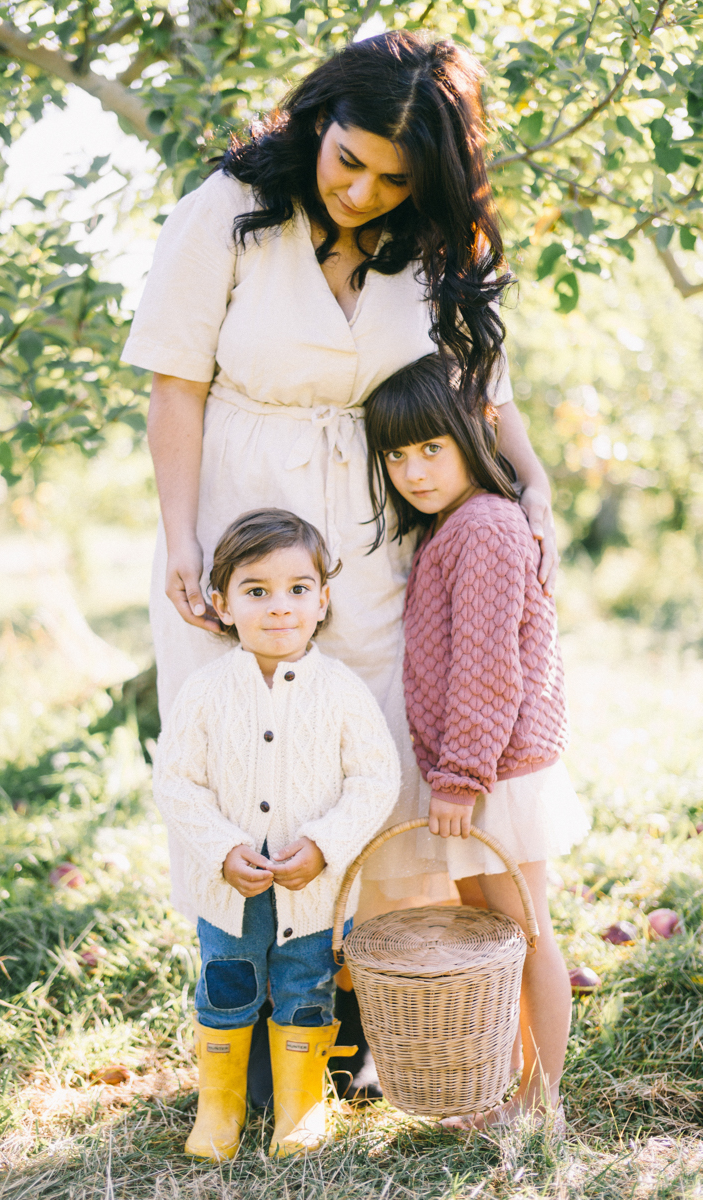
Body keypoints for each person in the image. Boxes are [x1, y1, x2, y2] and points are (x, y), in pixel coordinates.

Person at [122, 29, 558, 1098]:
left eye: (390, 179)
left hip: (374, 540)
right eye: (346, 158)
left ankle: (359, 1015)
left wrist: (529, 481)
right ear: (318, 119)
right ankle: (251, 1022)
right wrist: (181, 539)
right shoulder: (224, 212)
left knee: (369, 759)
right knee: (245, 760)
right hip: (241, 526)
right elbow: (173, 384)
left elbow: (480, 389)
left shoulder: (429, 244)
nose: (360, 190)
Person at [363, 353, 589, 1125]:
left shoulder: (488, 527)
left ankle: (544, 1100)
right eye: (396, 455)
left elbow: (490, 671)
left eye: (432, 448)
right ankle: (510, 1091)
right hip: (474, 770)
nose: (414, 471)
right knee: (493, 937)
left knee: (525, 936)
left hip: (500, 772)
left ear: (474, 433)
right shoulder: (448, 529)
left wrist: (459, 776)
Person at [153, 509, 400, 1159]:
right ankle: (220, 1108)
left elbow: (377, 781)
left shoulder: (342, 692)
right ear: (222, 603)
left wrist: (323, 845)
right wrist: (220, 848)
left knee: (306, 987)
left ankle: (300, 1106)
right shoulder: (205, 692)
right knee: (226, 984)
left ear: (323, 600)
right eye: (255, 590)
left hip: (312, 898)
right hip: (230, 893)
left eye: (297, 589)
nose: (279, 606)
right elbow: (177, 782)